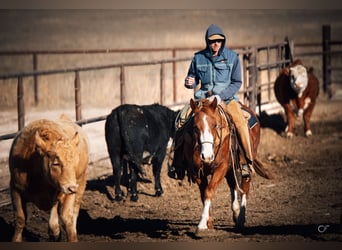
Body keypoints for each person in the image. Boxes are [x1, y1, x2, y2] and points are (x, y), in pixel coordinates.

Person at [182, 24, 254, 178]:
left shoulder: (232, 57)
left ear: (223, 41)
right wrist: (190, 82)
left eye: (219, 41)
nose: (215, 44)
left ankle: (246, 162)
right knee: (181, 120)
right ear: (207, 42)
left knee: (241, 123)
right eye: (212, 41)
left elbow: (236, 82)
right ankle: (178, 165)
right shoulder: (198, 57)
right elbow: (192, 78)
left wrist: (221, 96)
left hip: (226, 99)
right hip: (202, 99)